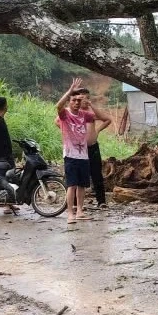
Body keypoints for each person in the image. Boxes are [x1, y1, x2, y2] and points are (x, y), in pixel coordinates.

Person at [56, 78, 95, 223]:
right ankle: (70, 213)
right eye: (74, 100)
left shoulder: (84, 115)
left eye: (79, 100)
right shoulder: (65, 114)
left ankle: (80, 211)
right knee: (71, 184)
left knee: (82, 185)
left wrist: (88, 103)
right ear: (69, 101)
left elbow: (95, 116)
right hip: (70, 155)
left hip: (83, 155)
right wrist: (69, 91)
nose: (77, 103)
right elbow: (58, 106)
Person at [74, 88, 113, 209]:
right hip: (79, 148)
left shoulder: (91, 111)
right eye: (81, 98)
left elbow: (107, 119)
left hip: (93, 147)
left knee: (97, 174)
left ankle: (101, 201)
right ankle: (76, 203)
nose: (84, 100)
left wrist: (97, 130)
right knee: (79, 175)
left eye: (86, 97)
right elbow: (60, 122)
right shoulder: (74, 111)